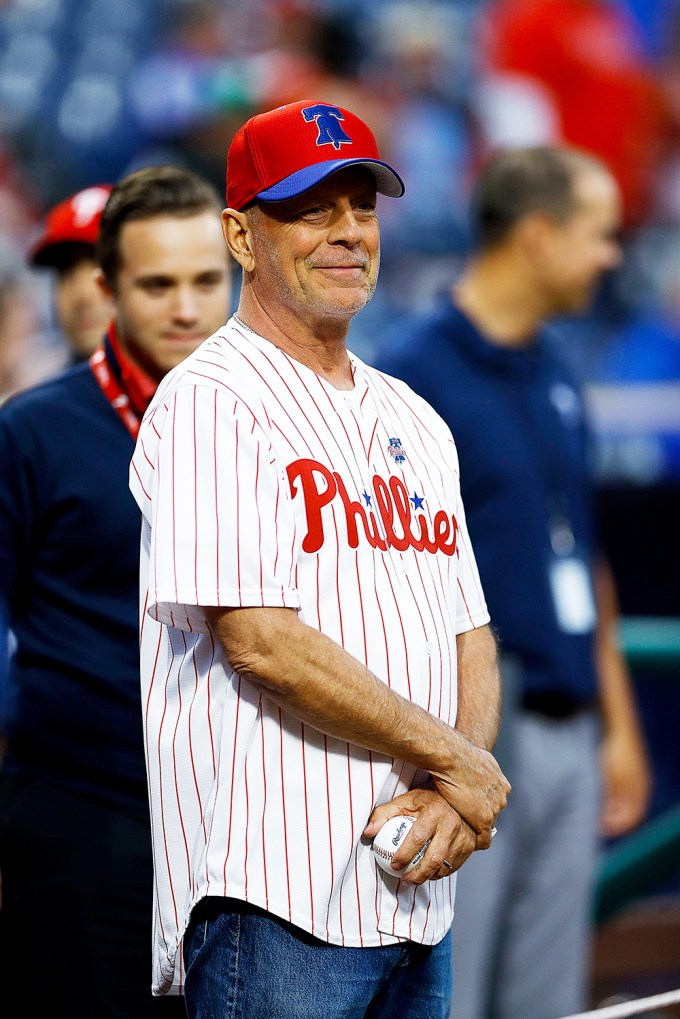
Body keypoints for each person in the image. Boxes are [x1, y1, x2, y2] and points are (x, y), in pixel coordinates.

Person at [129, 99, 511, 1019]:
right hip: (275, 898)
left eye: (363, 207)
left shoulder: (414, 417)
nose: (347, 232)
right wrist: (459, 764)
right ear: (242, 235)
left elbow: (472, 633)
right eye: (310, 207)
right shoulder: (208, 401)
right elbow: (261, 639)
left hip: (420, 887)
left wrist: (456, 794)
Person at [374, 145, 652, 1019]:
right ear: (537, 235)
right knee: (458, 986)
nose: (612, 256)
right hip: (474, 723)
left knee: (548, 995)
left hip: (569, 716)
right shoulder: (413, 374)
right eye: (598, 234)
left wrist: (621, 724)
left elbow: (585, 553)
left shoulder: (557, 366)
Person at [0, 165, 233, 1019]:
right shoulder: (32, 431)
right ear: (108, 287)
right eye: (157, 284)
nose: (185, 307)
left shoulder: (274, 429)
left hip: (237, 830)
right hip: (82, 817)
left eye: (206, 281)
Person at [28, 184, 116, 362]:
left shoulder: (184, 385)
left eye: (104, 268)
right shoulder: (43, 389)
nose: (82, 295)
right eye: (65, 272)